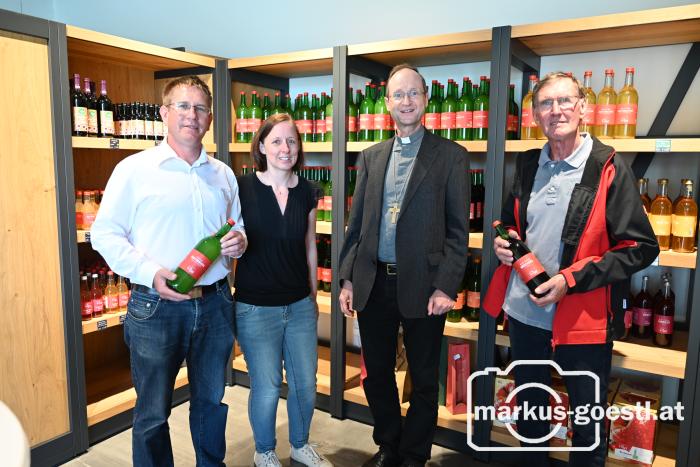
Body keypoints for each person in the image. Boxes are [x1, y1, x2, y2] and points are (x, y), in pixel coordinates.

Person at [483, 71, 659, 466]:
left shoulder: (607, 166)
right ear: (535, 115)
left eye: (565, 101)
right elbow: (510, 221)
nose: (556, 110)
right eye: (546, 103)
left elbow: (641, 247)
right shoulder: (528, 163)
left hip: (583, 322)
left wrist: (570, 279)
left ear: (582, 108)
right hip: (526, 315)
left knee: (586, 426)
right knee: (530, 416)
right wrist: (503, 241)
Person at [91, 76, 247, 467]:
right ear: (164, 113)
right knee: (152, 413)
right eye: (183, 106)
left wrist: (239, 242)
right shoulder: (134, 170)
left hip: (214, 303)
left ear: (210, 118)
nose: (192, 115)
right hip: (155, 307)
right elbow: (105, 234)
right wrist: (150, 272)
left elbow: (237, 226)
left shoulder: (223, 174)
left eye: (200, 108)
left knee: (211, 402)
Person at [338, 64, 469, 467]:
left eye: (413, 93)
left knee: (424, 378)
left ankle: (414, 455)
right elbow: (357, 225)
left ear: (426, 99)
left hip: (425, 285)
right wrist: (346, 279)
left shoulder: (451, 156)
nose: (406, 101)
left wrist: (446, 286)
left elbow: (458, 231)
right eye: (398, 94)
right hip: (374, 281)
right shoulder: (371, 157)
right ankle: (388, 446)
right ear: (387, 103)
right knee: (377, 373)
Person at [234, 113, 333, 467]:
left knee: (305, 383)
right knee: (267, 386)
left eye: (291, 141)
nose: (285, 148)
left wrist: (313, 295)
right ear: (261, 146)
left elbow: (310, 244)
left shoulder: (307, 191)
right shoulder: (241, 188)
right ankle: (264, 451)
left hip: (299, 304)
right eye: (276, 141)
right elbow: (230, 242)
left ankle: (300, 445)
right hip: (255, 307)